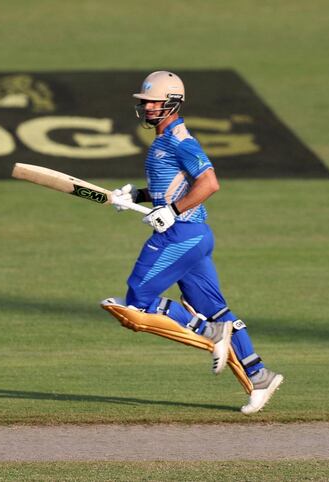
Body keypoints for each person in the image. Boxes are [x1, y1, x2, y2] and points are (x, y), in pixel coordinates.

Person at [102, 71, 283, 414]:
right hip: (194, 236)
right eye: (144, 102)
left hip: (181, 234)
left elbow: (209, 183)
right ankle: (259, 375)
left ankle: (208, 330)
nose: (147, 107)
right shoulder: (163, 140)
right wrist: (136, 194)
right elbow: (174, 186)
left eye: (153, 101)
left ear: (172, 103)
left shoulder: (180, 140)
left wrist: (171, 212)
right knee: (219, 309)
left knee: (136, 301)